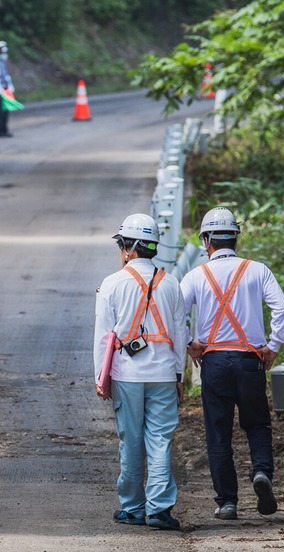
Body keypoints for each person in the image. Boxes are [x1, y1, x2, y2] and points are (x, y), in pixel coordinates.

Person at [180, 207, 284, 521]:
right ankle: (261, 472)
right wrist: (272, 346)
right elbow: (281, 309)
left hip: (213, 362)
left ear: (206, 241)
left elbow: (174, 313)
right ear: (236, 238)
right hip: (250, 362)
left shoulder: (195, 275)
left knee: (218, 433)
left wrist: (190, 343)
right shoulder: (257, 270)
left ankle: (227, 502)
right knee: (257, 424)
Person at [93, 213, 188, 531]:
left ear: (128, 248)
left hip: (126, 375)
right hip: (162, 374)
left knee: (130, 441)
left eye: (121, 245)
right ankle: (160, 509)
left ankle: (132, 508)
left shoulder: (112, 283)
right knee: (160, 440)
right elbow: (180, 335)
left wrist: (100, 378)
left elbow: (103, 336)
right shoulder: (171, 282)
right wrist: (179, 376)